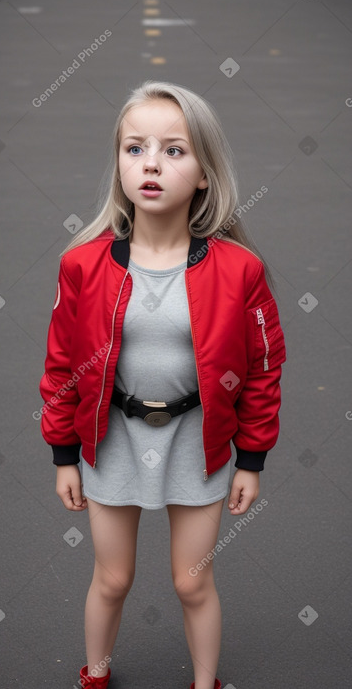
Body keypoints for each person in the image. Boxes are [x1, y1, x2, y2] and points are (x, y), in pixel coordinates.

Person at [38, 80, 287, 689]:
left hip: (196, 442)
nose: (150, 163)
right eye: (135, 148)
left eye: (174, 150)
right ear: (119, 163)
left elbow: (262, 368)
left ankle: (207, 683)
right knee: (112, 578)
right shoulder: (83, 264)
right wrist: (62, 453)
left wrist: (251, 457)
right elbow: (63, 364)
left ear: (204, 173)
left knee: (191, 580)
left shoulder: (239, 270)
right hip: (111, 437)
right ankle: (94, 674)